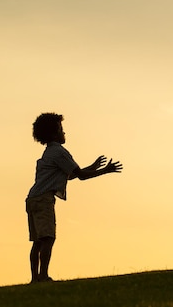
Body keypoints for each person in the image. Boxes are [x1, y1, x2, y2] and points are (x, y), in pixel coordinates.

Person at [26, 112, 123, 283]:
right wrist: (105, 170)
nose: (64, 133)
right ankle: (43, 276)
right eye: (61, 129)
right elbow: (81, 175)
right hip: (43, 200)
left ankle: (35, 278)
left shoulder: (48, 153)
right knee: (47, 238)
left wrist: (92, 167)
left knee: (38, 241)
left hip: (32, 199)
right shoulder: (59, 152)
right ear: (54, 133)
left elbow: (70, 175)